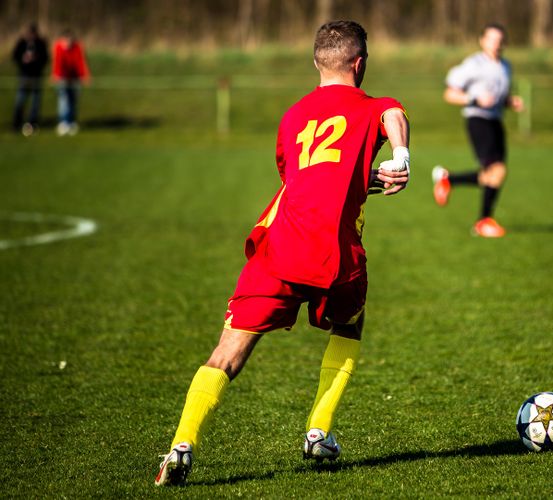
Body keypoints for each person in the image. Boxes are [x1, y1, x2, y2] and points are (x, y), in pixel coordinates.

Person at [154, 20, 410, 487]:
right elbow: (394, 115)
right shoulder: (373, 105)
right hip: (336, 254)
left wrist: (360, 181)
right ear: (360, 63)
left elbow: (302, 180)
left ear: (316, 63)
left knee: (228, 351)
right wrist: (401, 157)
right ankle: (318, 429)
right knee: (350, 324)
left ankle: (181, 444)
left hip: (280, 250)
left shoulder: (292, 117)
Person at [432, 23, 524, 238]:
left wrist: (511, 102)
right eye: (492, 39)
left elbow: (498, 98)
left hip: (496, 121)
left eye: (500, 39)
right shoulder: (473, 64)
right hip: (478, 120)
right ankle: (483, 222)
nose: (496, 43)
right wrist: (474, 98)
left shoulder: (505, 66)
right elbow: (449, 94)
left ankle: (449, 180)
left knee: (491, 176)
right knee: (498, 171)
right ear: (482, 41)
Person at [11, 23, 49, 136]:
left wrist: (36, 60)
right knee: (20, 100)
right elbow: (15, 56)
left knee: (35, 102)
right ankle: (16, 123)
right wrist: (23, 60)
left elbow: (45, 58)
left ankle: (32, 124)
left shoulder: (41, 44)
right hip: (24, 76)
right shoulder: (22, 43)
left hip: (36, 76)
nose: (31, 35)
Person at [51, 29, 90, 136]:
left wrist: (85, 76)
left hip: (75, 78)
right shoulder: (58, 47)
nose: (68, 43)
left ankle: (71, 122)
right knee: (63, 101)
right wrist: (57, 76)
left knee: (73, 101)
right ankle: (63, 122)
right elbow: (57, 63)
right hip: (62, 78)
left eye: (70, 40)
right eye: (66, 40)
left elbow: (81, 62)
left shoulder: (77, 47)